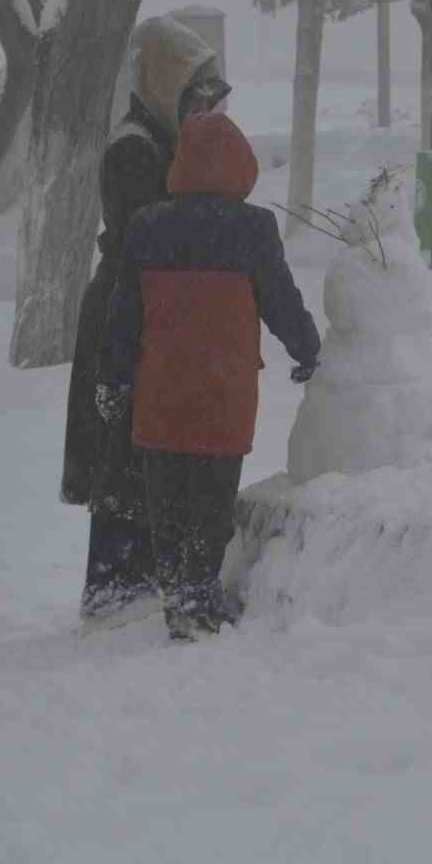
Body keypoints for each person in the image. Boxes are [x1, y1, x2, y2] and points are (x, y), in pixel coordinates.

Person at [96, 112, 321, 641]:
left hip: (161, 390)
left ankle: (180, 594)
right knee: (212, 500)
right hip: (224, 393)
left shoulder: (148, 225)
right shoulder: (252, 229)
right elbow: (281, 302)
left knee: (167, 499)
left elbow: (123, 313)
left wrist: (112, 378)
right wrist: (308, 349)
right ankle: (199, 594)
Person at [61, 16, 231, 633]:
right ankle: (111, 589)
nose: (200, 111)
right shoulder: (135, 147)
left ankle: (134, 583)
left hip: (146, 303)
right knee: (120, 447)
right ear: (165, 83)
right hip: (122, 307)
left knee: (144, 441)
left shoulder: (157, 135)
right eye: (193, 96)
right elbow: (144, 239)